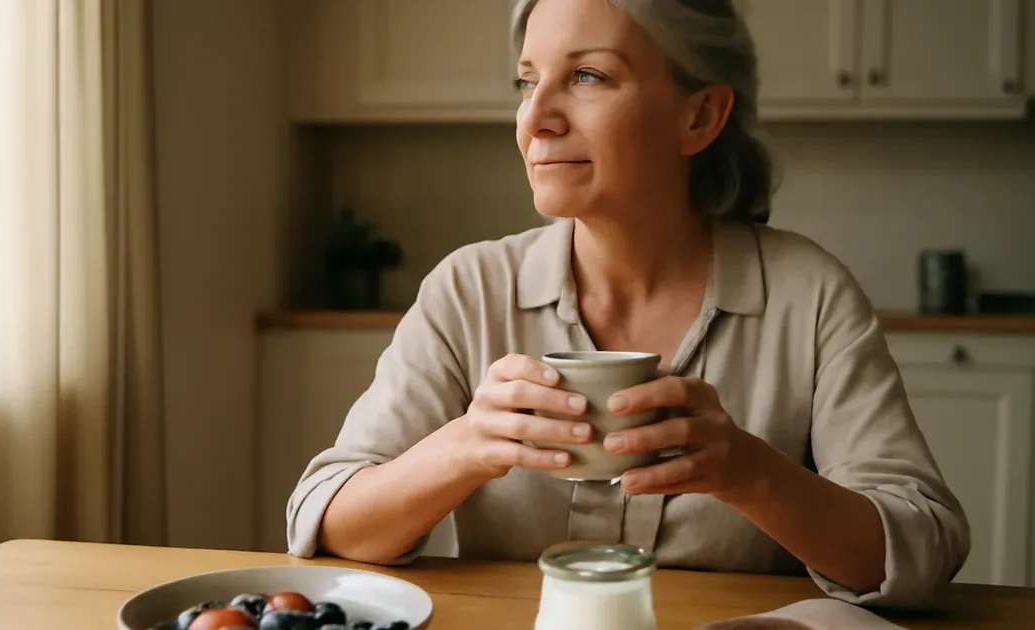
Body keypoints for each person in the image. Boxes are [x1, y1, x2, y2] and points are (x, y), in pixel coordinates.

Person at [285, 0, 970, 609]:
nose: (535, 119)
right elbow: (327, 522)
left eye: (587, 76)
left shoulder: (811, 296)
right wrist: (466, 445)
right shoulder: (469, 291)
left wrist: (749, 471)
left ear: (700, 115)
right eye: (527, 81)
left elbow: (923, 550)